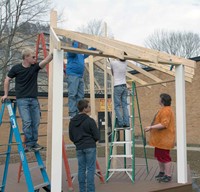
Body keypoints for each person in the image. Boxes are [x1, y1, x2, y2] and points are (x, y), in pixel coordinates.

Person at [1, 48, 53, 152]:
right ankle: (30, 144)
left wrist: (53, 53)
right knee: (27, 122)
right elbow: (7, 79)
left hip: (34, 99)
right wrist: (5, 94)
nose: (35, 58)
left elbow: (46, 60)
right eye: (33, 57)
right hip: (22, 100)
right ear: (26, 57)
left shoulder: (35, 67)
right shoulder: (16, 68)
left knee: (36, 122)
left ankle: (33, 143)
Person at [69, 99, 100, 192]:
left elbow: (71, 136)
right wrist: (92, 141)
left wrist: (77, 142)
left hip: (79, 147)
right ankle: (90, 190)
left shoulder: (72, 121)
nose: (90, 108)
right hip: (90, 146)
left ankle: (82, 190)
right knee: (90, 169)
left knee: (81, 169)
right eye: (89, 106)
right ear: (85, 108)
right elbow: (97, 135)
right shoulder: (90, 120)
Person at [144, 93, 175, 182]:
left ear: (162, 100)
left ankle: (168, 175)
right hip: (160, 140)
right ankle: (162, 172)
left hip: (164, 140)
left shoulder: (166, 111)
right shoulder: (164, 110)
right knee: (159, 156)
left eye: (159, 98)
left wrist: (151, 127)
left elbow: (164, 124)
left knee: (165, 157)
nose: (158, 100)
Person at [66, 41, 96, 118]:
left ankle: (80, 112)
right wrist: (76, 42)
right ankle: (73, 114)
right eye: (80, 43)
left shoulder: (81, 53)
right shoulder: (71, 51)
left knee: (80, 96)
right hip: (72, 75)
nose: (81, 44)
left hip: (80, 76)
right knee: (73, 94)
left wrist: (95, 47)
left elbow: (88, 52)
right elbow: (73, 51)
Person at [109, 56, 130, 128]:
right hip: (124, 86)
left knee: (117, 106)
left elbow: (112, 73)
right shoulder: (126, 63)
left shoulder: (113, 63)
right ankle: (127, 123)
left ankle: (121, 123)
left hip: (117, 86)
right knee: (124, 106)